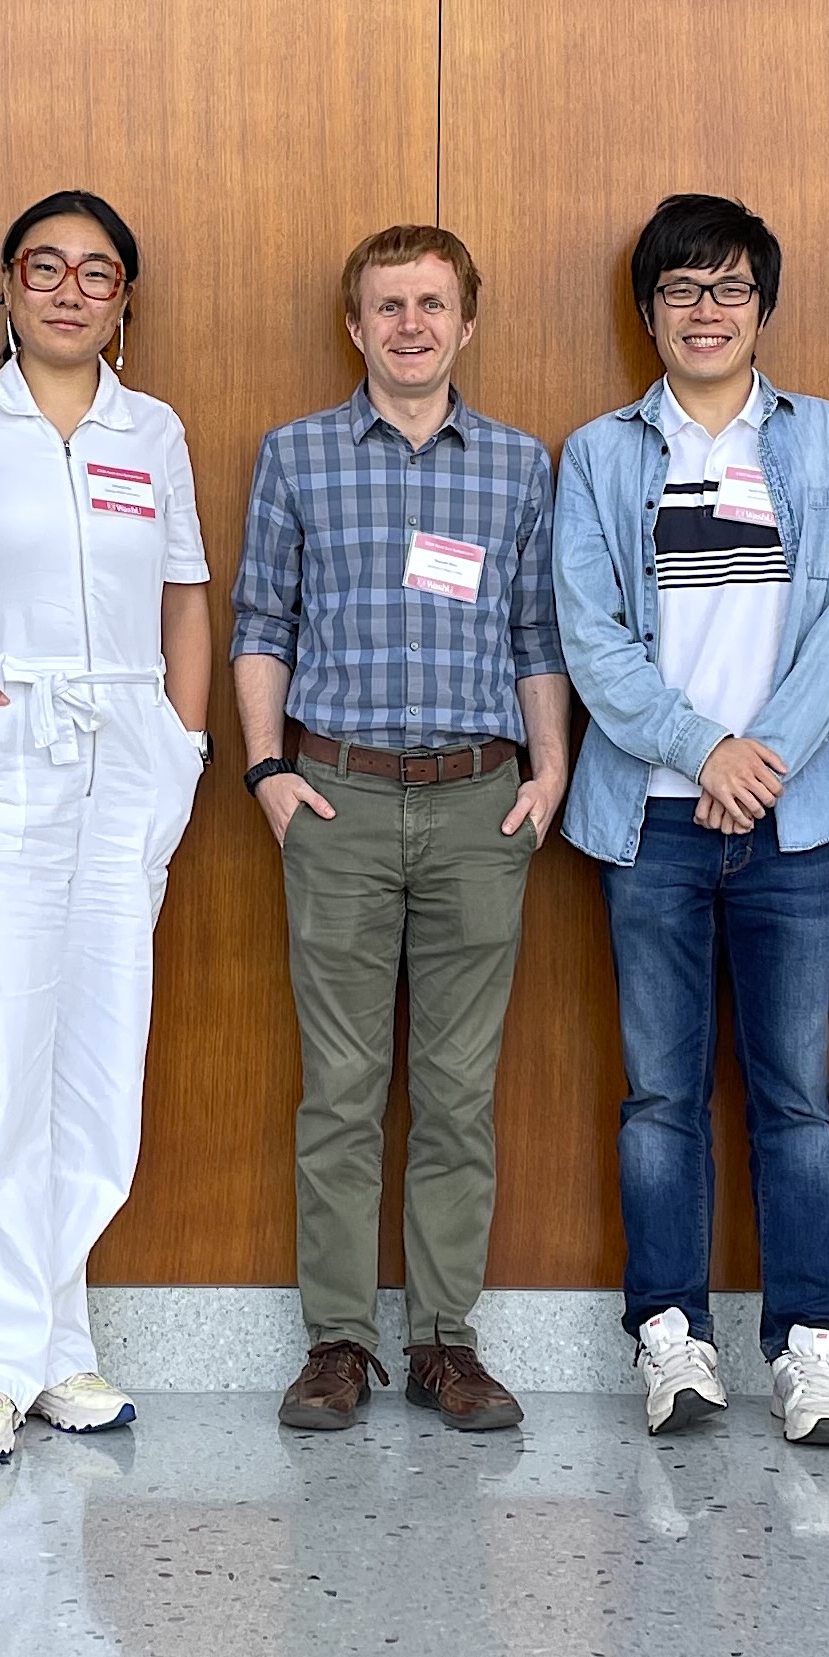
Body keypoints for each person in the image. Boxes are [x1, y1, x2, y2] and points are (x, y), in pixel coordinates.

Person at [0, 193, 215, 1462]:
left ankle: (56, 1342)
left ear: (127, 298)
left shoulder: (152, 430)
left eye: (98, 273)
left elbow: (184, 594)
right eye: (44, 268)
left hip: (128, 756)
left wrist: (181, 743)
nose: (71, 292)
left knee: (93, 1060)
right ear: (6, 285)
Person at [555, 195, 829, 1446]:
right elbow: (592, 636)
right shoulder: (597, 455)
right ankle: (670, 1340)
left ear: (762, 309)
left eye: (729, 289)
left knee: (795, 1092)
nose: (706, 312)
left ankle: (811, 1346)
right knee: (657, 1096)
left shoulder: (826, 442)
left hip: (793, 823)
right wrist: (704, 752)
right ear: (646, 312)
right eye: (681, 290)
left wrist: (766, 759)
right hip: (649, 818)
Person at [234, 226, 570, 1434]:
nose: (411, 324)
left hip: (483, 804)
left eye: (433, 304)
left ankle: (444, 1345)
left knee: (456, 1091)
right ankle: (336, 1343)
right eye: (388, 306)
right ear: (355, 324)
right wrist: (267, 769)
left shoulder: (521, 468)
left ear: (465, 323)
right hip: (337, 798)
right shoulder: (298, 457)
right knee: (338, 1086)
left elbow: (537, 634)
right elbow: (259, 622)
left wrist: (549, 770)